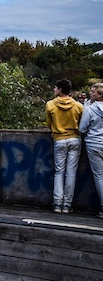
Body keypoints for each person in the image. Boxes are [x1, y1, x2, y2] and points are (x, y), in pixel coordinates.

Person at [46, 78, 84, 214]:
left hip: (59, 139)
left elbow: (48, 123)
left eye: (55, 88)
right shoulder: (78, 106)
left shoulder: (50, 105)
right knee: (71, 173)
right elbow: (82, 124)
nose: (54, 90)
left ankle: (57, 203)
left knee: (59, 172)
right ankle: (67, 204)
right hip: (74, 139)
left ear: (60, 90)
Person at [79, 83, 103, 219]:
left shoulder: (90, 109)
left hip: (94, 143)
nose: (90, 93)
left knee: (99, 176)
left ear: (99, 95)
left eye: (93, 92)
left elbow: (82, 128)